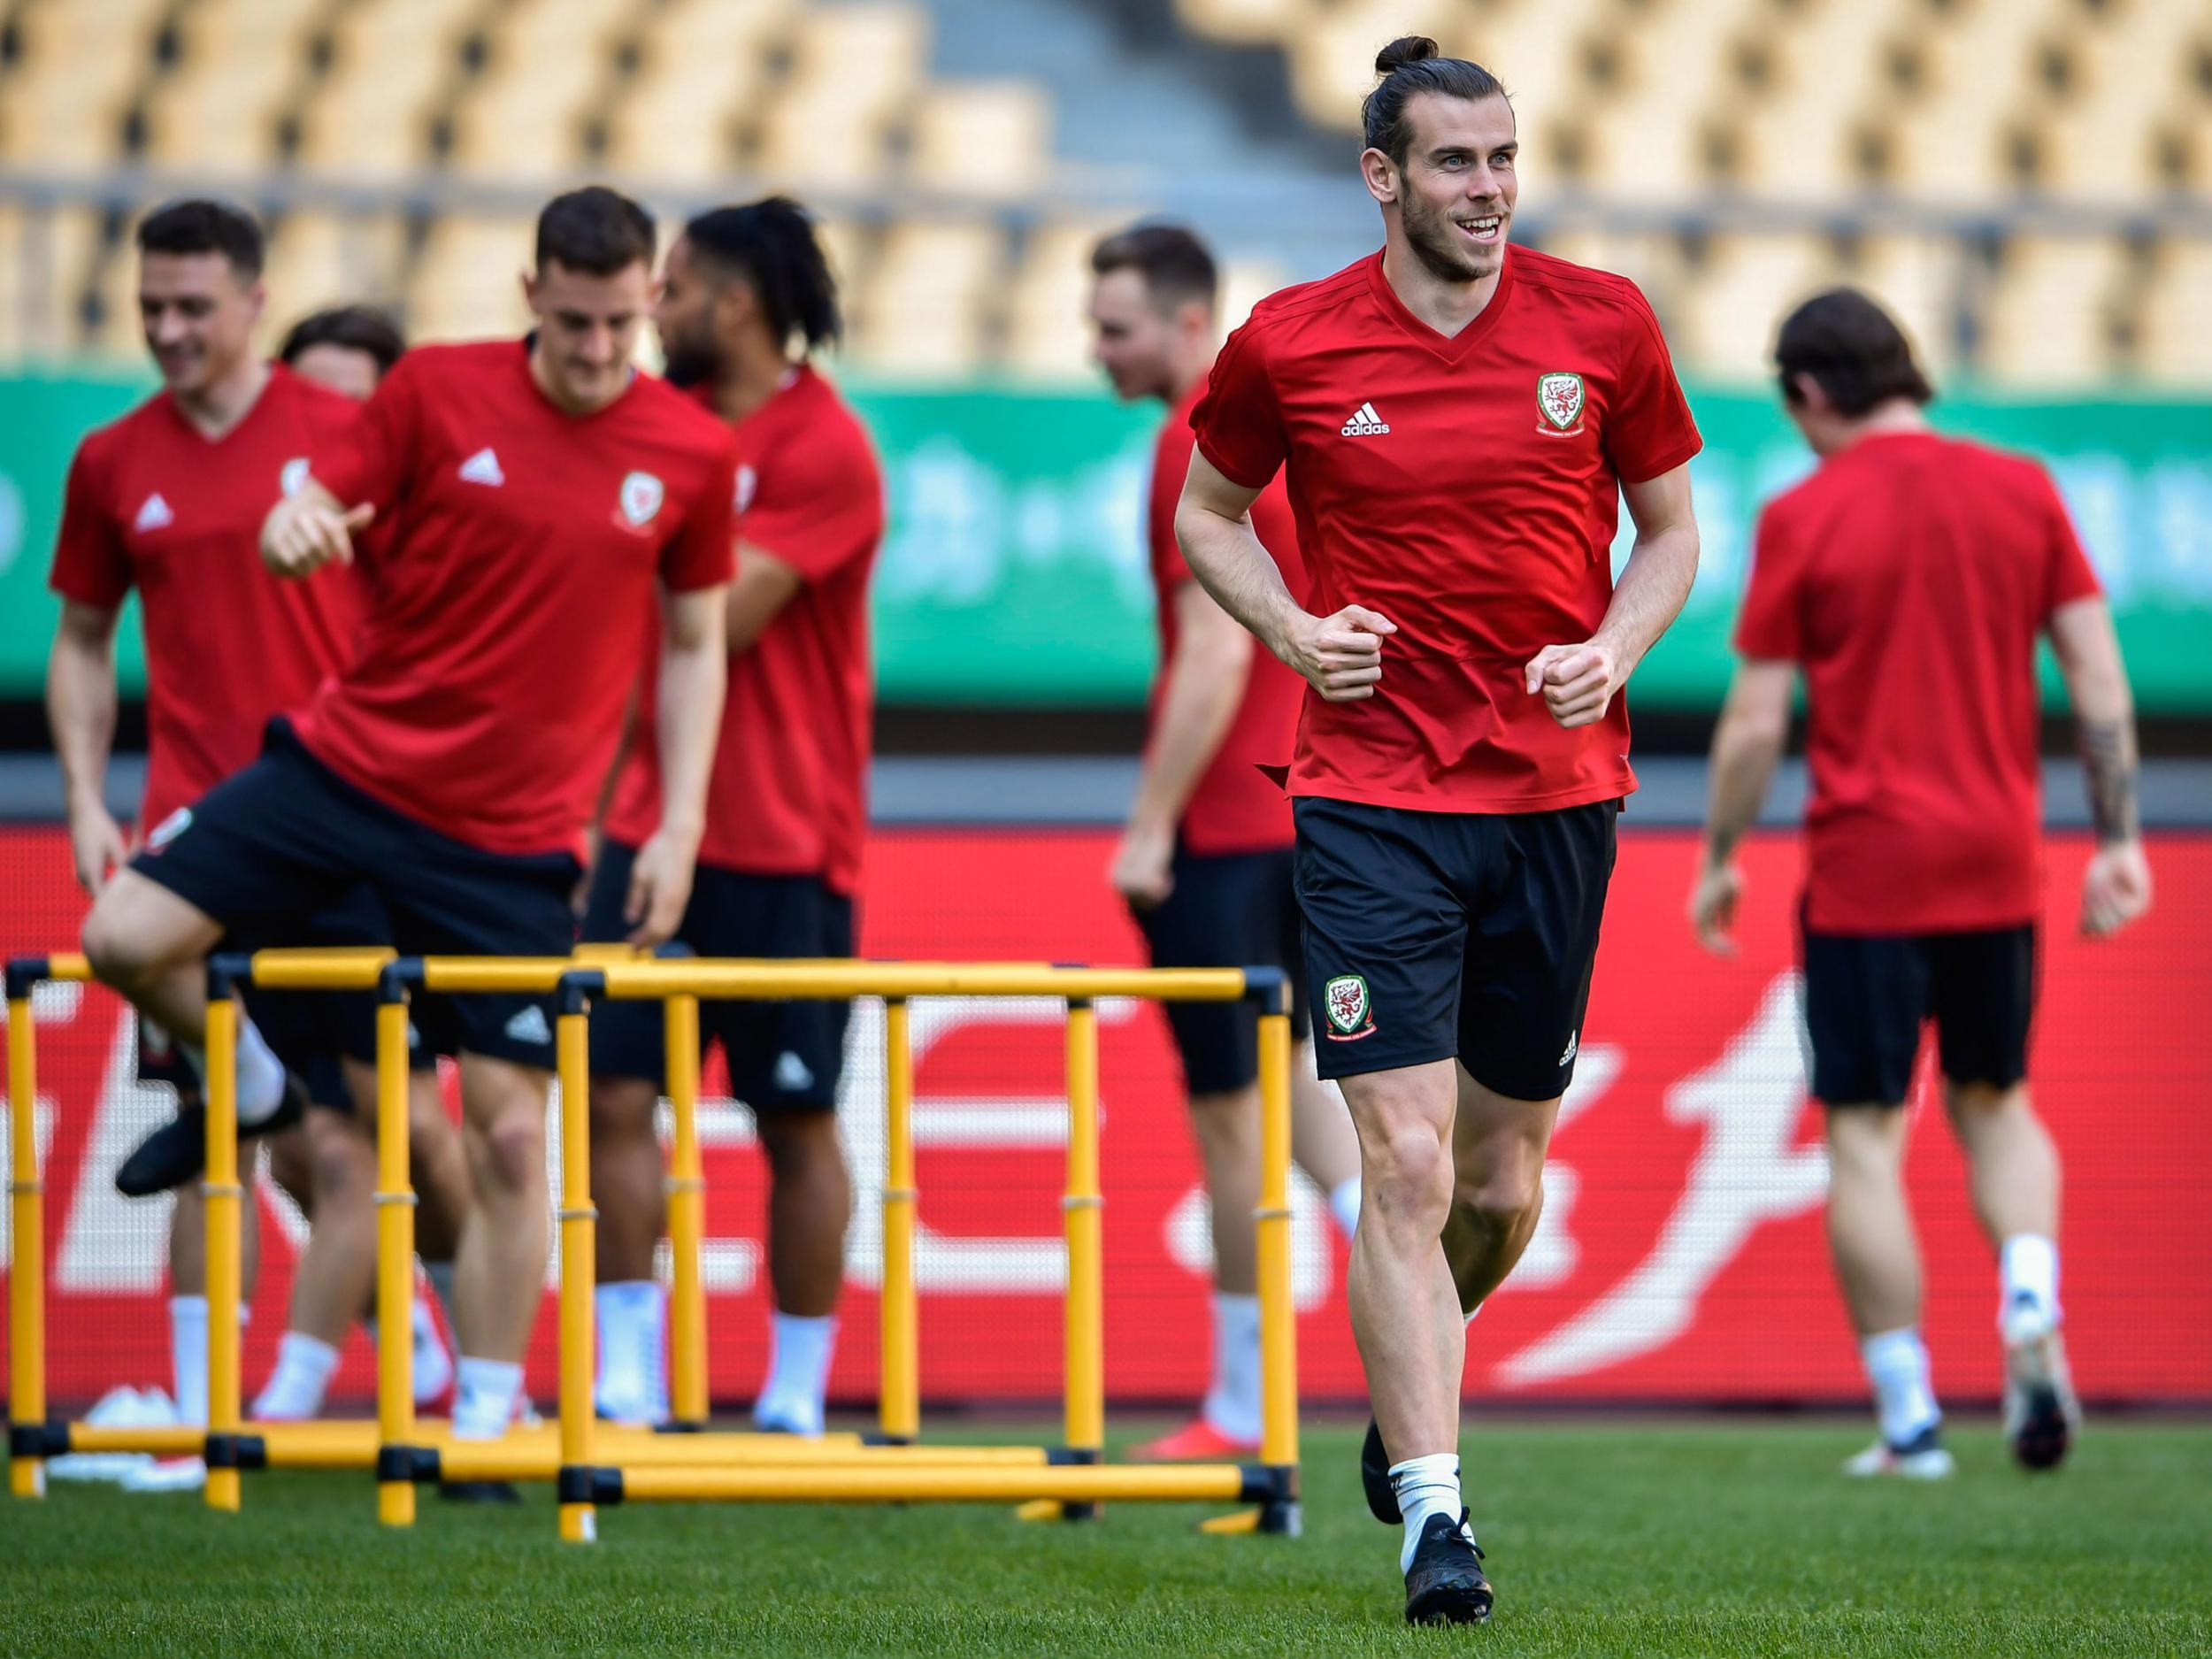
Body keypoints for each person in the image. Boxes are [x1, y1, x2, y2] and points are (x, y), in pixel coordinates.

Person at [1174, 39, 1701, 1624]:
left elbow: (1672, 533)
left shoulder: (1603, 325)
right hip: (1367, 798)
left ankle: (1413, 1383)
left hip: (1556, 797)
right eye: (1455, 162)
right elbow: (1208, 517)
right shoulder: (1290, 342)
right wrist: (1289, 629)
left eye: (1503, 158)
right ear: (1382, 177)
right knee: (1397, 1162)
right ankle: (1435, 1514)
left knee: (1496, 1183)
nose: (1488, 188)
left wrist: (1615, 648)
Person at [77, 186, 738, 1447]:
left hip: (513, 841)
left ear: (650, 302)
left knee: (501, 1138)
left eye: (620, 324)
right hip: (343, 773)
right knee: (121, 939)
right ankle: (259, 1088)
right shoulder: (432, 391)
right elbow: (305, 505)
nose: (598, 352)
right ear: (531, 294)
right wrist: (292, 529)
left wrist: (680, 821)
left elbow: (696, 642)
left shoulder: (691, 452)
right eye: (575, 321)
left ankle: (486, 1417)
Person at [1689, 288, 2152, 1478]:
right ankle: (2032, 1298)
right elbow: (2099, 678)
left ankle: (1909, 1422)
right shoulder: (2022, 489)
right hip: (1999, 858)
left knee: (1864, 1137)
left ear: (1806, 397)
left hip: (1865, 870)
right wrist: (2119, 838)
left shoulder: (1802, 516)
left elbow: (1750, 726)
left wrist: (1724, 855)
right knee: (1998, 1101)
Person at [44, 205, 448, 1486]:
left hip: (336, 827)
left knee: (366, 1138)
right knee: (210, 1144)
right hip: (187, 836)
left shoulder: (349, 440)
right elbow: (78, 639)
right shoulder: (112, 460)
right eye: (150, 305)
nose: (168, 329)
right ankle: (198, 1402)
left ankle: (421, 1359)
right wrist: (84, 796)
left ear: (255, 302)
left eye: (194, 308)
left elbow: (432, 610)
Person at [582, 198, 880, 1434]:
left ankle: (799, 1394)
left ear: (738, 302)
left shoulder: (825, 447)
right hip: (641, 825)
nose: (653, 310)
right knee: (609, 1097)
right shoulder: (649, 428)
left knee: (796, 1114)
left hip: (783, 841)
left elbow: (711, 616)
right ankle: (628, 1378)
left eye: (673, 286)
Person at [1086, 222, 1363, 1462]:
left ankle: (1245, 1410)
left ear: (1191, 322)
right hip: (1309, 808)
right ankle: (1405, 1255)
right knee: (1297, 1084)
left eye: (1117, 325)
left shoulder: (1193, 445)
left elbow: (1209, 653)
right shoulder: (1291, 432)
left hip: (1224, 830)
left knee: (1227, 1122)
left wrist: (1150, 827)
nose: (1098, 349)